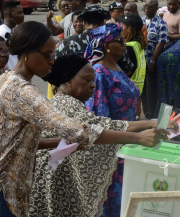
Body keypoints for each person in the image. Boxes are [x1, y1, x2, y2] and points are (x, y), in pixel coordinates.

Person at [0, 21, 168, 217]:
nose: (52, 61)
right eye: (47, 54)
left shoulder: (7, 80)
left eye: (53, 54)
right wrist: (138, 138)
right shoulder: (23, 91)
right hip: (7, 185)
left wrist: (57, 142)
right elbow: (78, 130)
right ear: (27, 52)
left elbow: (15, 141)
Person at [29, 55, 179, 217]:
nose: (93, 85)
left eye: (93, 80)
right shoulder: (67, 104)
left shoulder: (65, 101)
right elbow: (97, 130)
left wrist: (148, 124)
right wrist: (140, 135)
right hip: (51, 180)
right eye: (87, 80)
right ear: (68, 81)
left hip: (51, 178)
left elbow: (101, 125)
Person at [84, 23, 140, 217]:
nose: (125, 44)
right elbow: (98, 117)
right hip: (112, 150)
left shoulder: (116, 67)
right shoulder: (99, 72)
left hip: (127, 143)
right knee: (112, 201)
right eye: (120, 41)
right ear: (106, 45)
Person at [141, 0, 169, 119]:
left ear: (156, 9)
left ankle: (151, 114)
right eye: (146, 6)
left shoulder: (160, 23)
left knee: (151, 88)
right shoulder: (141, 21)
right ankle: (145, 111)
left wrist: (152, 60)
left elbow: (161, 42)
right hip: (140, 60)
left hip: (152, 60)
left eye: (150, 7)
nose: (147, 8)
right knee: (142, 87)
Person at [116, 13, 147, 94]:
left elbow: (127, 71)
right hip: (137, 87)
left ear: (129, 28)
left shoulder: (129, 47)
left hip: (129, 88)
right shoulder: (138, 43)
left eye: (122, 26)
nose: (120, 28)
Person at [0, 0, 24, 70]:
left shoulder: (11, 31)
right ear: (9, 14)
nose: (22, 15)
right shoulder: (3, 34)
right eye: (19, 13)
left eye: (22, 12)